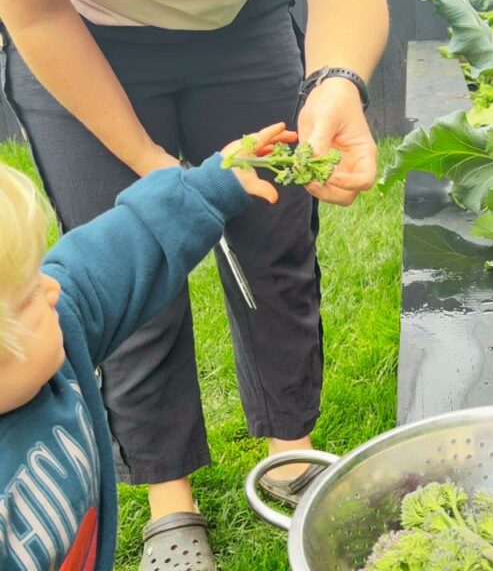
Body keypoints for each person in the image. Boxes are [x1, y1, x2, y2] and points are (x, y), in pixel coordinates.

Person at [0, 0, 387, 568]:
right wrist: (154, 168)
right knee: (137, 284)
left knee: (276, 244)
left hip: (245, 28)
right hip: (80, 36)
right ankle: (168, 494)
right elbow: (35, 11)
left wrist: (337, 80)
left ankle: (290, 453)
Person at [0, 124, 294, 571]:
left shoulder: (50, 340)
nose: (52, 288)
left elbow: (109, 258)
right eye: (27, 295)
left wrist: (210, 186)